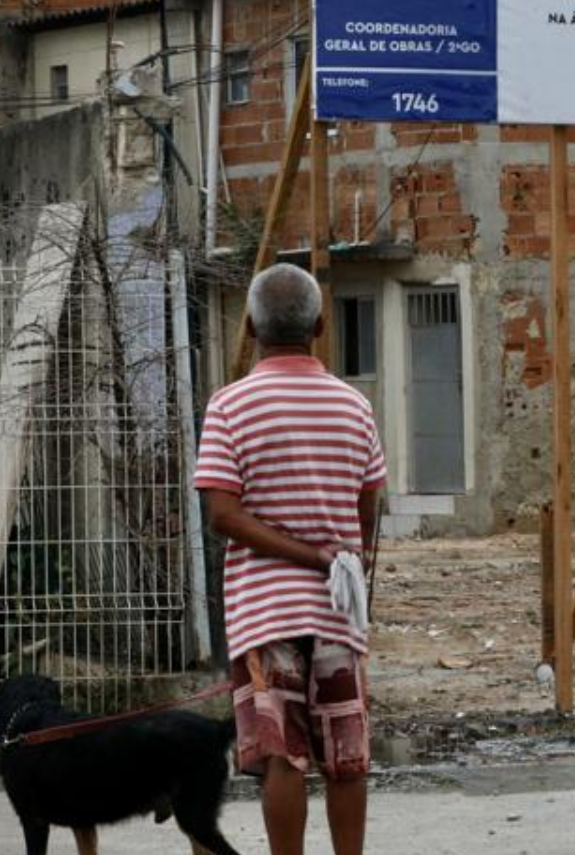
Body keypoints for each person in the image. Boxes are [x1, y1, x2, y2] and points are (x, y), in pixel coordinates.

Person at [197, 264, 385, 855]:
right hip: (337, 613)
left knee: (284, 757)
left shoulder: (229, 407)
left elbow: (223, 515)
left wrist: (303, 554)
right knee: (345, 759)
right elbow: (368, 506)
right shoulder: (354, 407)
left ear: (251, 326)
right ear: (321, 324)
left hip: (264, 615)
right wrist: (343, 565)